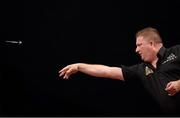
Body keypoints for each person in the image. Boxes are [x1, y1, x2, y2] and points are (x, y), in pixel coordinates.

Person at [59, 27, 180, 114]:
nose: (136, 50)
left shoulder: (176, 51)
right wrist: (79, 66)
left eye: (139, 45)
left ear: (152, 43)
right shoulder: (142, 69)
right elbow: (107, 71)